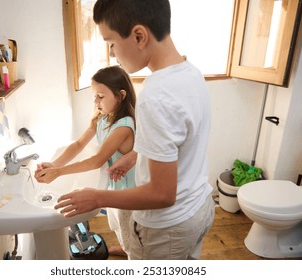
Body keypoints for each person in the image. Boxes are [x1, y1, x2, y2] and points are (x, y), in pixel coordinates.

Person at [54, 0, 215, 260]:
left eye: (112, 44)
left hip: (168, 227)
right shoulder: (190, 73)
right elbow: (182, 141)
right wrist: (136, 155)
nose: (113, 54)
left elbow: (162, 194)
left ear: (139, 36)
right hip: (199, 207)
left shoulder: (156, 95)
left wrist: (97, 198)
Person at [34, 65, 136, 257]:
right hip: (115, 186)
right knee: (118, 226)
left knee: (130, 232)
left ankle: (132, 255)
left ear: (121, 95)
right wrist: (55, 164)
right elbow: (79, 144)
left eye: (101, 96)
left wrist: (59, 173)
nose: (96, 101)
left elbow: (97, 160)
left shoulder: (123, 126)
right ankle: (125, 247)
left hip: (128, 192)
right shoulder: (102, 118)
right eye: (94, 96)